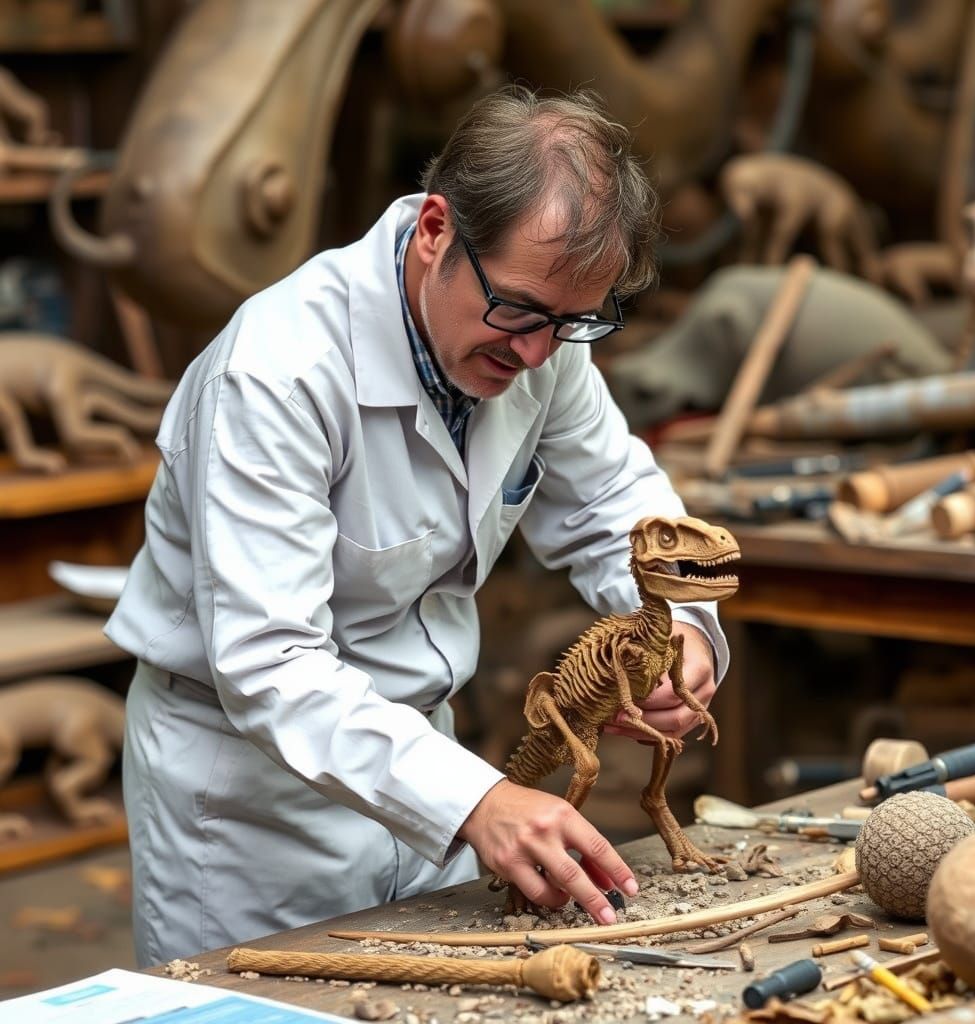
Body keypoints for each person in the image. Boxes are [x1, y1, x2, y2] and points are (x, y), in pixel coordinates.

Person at [105, 85, 729, 967]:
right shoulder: (276, 373)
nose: (538, 355)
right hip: (255, 806)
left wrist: (686, 634)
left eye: (572, 322)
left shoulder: (541, 339)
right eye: (517, 312)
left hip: (424, 761)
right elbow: (270, 662)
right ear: (436, 229)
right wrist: (476, 803)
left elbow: (612, 507)